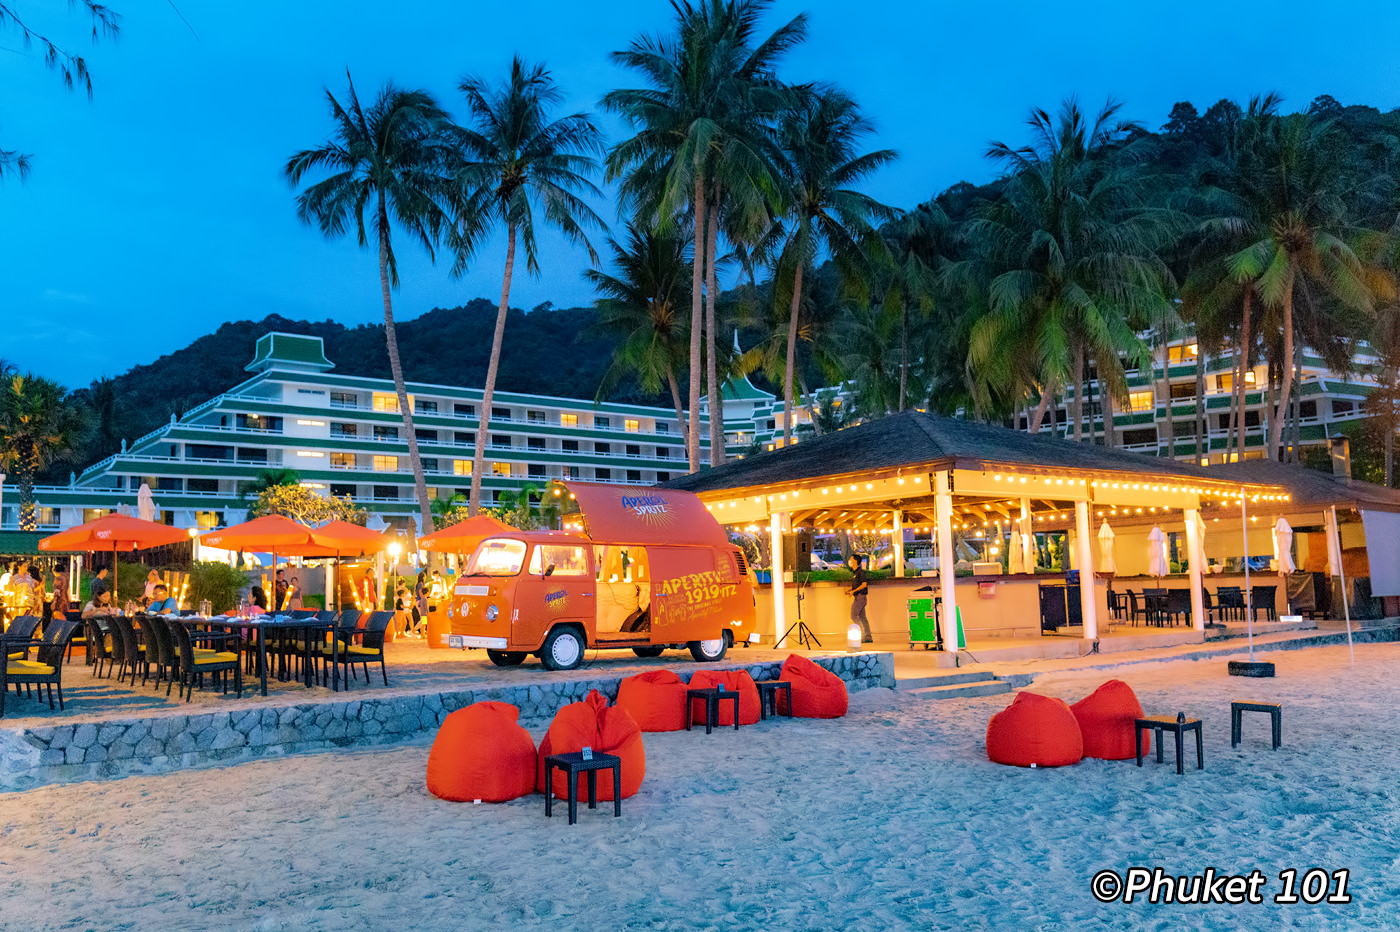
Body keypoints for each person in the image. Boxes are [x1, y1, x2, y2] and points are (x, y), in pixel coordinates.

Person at [847, 554, 873, 644]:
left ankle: (862, 635)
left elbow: (864, 584)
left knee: (853, 615)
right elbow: (858, 585)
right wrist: (851, 590)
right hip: (858, 596)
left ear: (855, 561)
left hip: (860, 597)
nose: (849, 561)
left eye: (851, 559)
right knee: (862, 617)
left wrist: (854, 591)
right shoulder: (855, 573)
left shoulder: (861, 572)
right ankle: (868, 636)